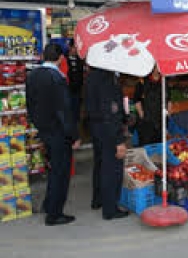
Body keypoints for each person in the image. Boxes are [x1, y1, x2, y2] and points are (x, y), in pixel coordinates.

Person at [26, 44, 80, 226]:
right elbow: (64, 111)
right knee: (60, 173)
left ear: (43, 56)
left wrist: (39, 125)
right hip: (59, 133)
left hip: (44, 130)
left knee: (52, 170)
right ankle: (54, 214)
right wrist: (74, 135)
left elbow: (30, 105)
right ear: (60, 59)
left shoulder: (33, 75)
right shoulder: (57, 78)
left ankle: (49, 205)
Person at [85, 67, 129, 220]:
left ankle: (98, 200)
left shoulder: (92, 75)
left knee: (100, 165)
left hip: (96, 127)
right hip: (108, 129)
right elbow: (111, 111)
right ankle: (110, 209)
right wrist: (119, 140)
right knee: (112, 170)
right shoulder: (107, 79)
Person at [133, 67, 171, 146]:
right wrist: (141, 114)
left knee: (160, 145)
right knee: (146, 145)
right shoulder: (142, 81)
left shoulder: (164, 81)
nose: (158, 69)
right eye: (156, 67)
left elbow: (169, 100)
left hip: (160, 120)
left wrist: (168, 113)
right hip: (146, 121)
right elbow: (136, 100)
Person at [65, 39, 85, 128]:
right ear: (69, 47)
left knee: (76, 110)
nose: (76, 50)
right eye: (74, 47)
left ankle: (75, 129)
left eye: (77, 48)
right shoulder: (63, 58)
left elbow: (81, 74)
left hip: (77, 90)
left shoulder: (80, 59)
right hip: (66, 90)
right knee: (67, 111)